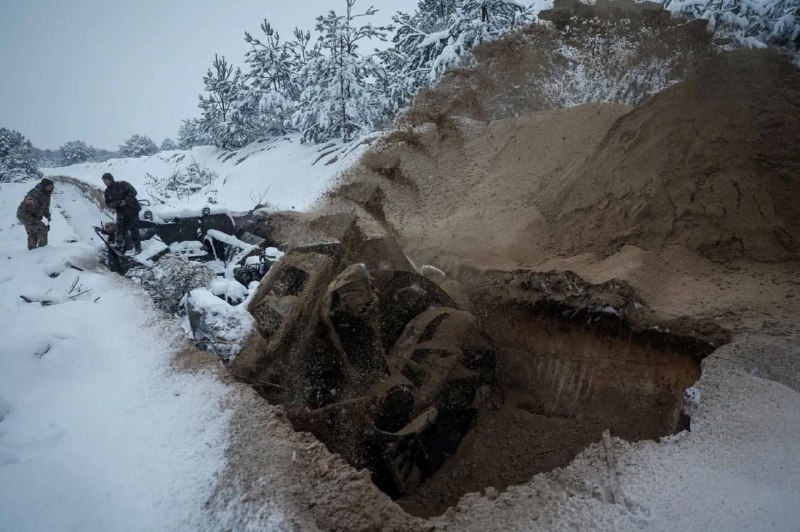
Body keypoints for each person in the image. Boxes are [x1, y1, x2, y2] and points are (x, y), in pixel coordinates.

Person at [102, 172, 142, 254]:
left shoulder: (123, 184)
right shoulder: (107, 192)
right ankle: (124, 247)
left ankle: (138, 248)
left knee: (134, 228)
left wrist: (125, 201)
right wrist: (115, 204)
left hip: (132, 209)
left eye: (106, 180)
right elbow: (108, 203)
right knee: (121, 229)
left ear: (110, 179)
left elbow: (134, 192)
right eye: (104, 181)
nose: (105, 183)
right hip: (121, 212)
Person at [16, 177, 54, 250]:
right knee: (42, 229)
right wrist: (32, 216)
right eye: (50, 185)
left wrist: (47, 216)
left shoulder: (47, 194)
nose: (52, 187)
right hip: (25, 215)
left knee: (32, 234)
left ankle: (32, 253)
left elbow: (45, 207)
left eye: (52, 186)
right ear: (45, 186)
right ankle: (43, 250)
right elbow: (26, 205)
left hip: (34, 216)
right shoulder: (35, 193)